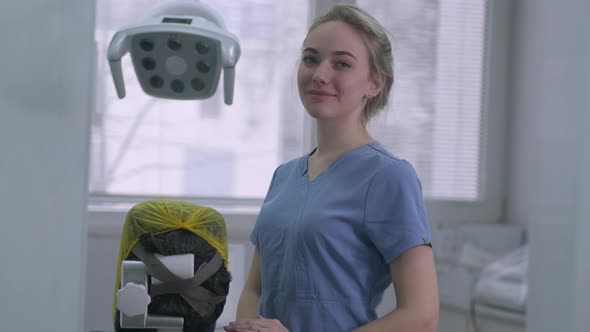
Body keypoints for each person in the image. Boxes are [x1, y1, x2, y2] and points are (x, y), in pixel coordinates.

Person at [224, 4, 438, 332]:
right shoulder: (284, 177)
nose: (320, 74)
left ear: (374, 84)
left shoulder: (389, 177)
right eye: (311, 59)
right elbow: (255, 288)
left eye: (341, 64)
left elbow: (421, 317)